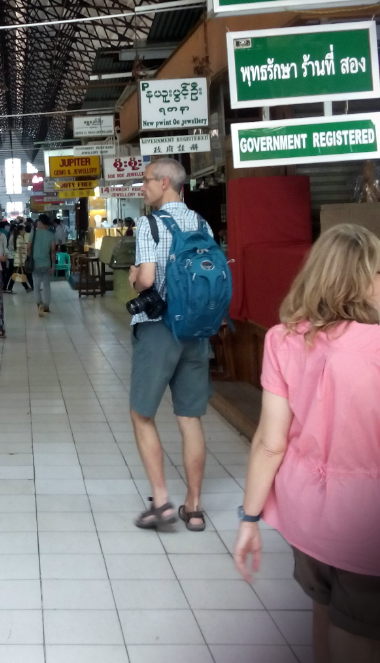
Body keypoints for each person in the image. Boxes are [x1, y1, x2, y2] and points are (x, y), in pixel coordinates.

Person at [234, 224, 380, 661]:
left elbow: (269, 442)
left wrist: (249, 518)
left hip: (307, 511)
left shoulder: (283, 339)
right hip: (365, 519)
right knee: (358, 634)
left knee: (323, 611)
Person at [127, 158, 212, 531]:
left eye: (145, 182)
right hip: (195, 328)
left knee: (142, 414)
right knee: (189, 417)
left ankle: (161, 501)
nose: (141, 188)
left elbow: (146, 279)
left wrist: (133, 277)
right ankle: (193, 507)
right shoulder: (202, 224)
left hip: (159, 327)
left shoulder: (150, 224)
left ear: (165, 182)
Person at [31, 214, 56, 316]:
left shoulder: (33, 233)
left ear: (40, 222)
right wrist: (53, 265)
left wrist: (30, 256)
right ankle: (46, 306)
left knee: (36, 285)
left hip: (35, 264)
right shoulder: (51, 235)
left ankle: (39, 303)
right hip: (46, 264)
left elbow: (28, 247)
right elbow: (53, 251)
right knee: (46, 286)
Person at [5, 222, 33, 292]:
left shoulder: (19, 238)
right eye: (23, 230)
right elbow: (19, 250)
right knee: (17, 274)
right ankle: (10, 288)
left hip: (20, 260)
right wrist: (20, 261)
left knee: (20, 274)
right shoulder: (19, 238)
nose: (25, 231)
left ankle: (26, 288)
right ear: (20, 230)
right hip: (19, 260)